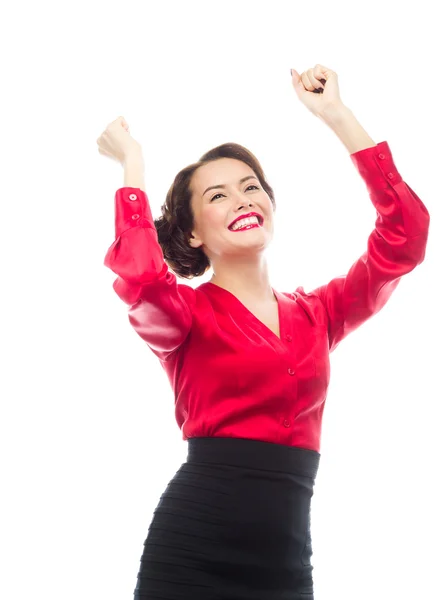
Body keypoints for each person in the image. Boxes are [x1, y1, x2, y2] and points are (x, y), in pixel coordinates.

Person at [97, 65, 430, 599]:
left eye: (251, 187)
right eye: (219, 196)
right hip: (193, 554)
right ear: (191, 232)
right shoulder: (183, 315)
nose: (243, 199)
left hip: (286, 566)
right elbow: (140, 277)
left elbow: (404, 236)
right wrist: (132, 168)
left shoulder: (319, 314)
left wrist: (336, 115)